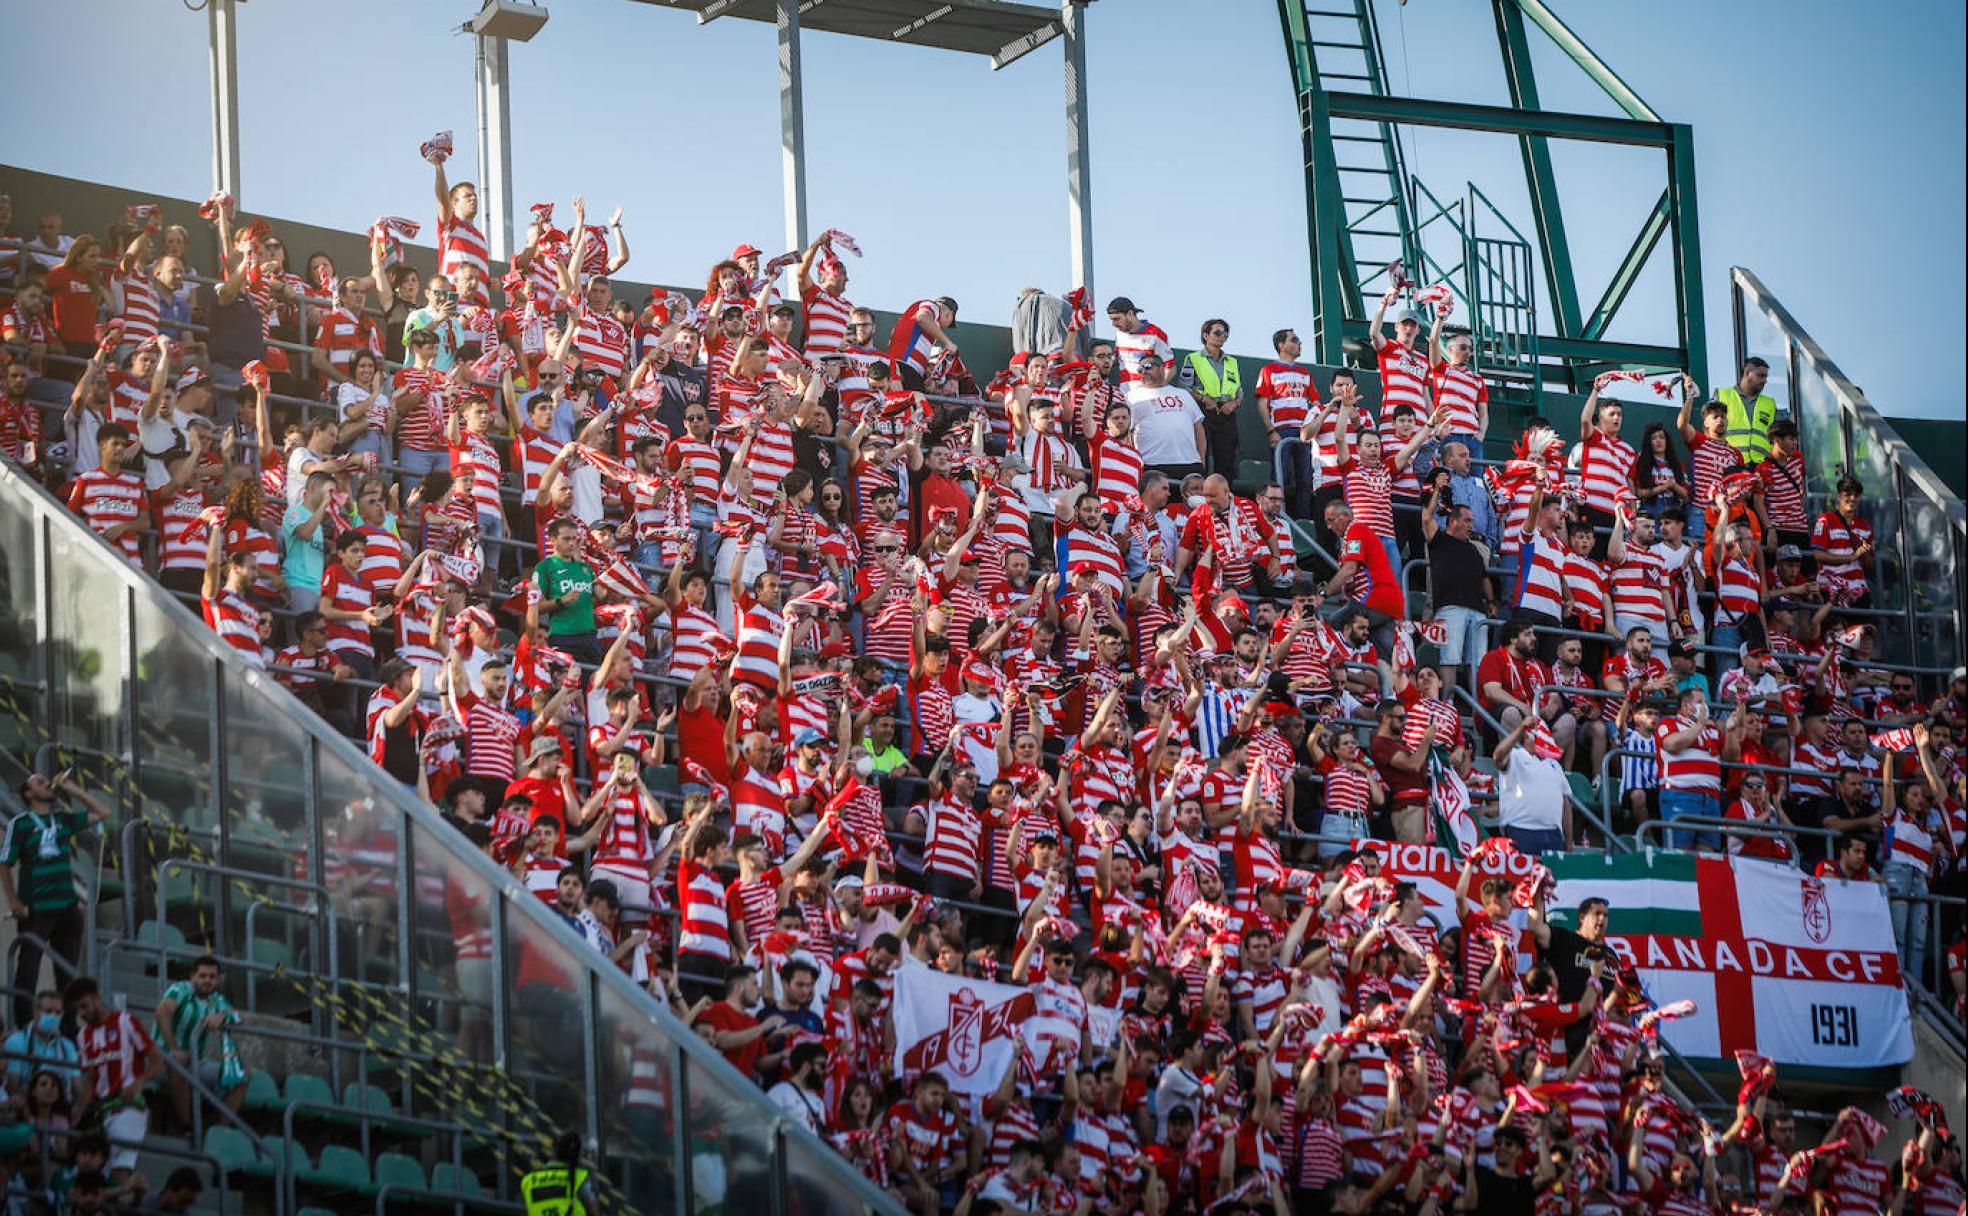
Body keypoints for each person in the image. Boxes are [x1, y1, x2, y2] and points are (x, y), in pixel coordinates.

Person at [4, 771, 114, 1025]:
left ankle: (68, 1029)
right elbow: (4, 863)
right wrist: (14, 901)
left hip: (67, 907)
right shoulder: (20, 824)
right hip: (37, 909)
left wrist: (72, 788)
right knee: (28, 970)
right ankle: (24, 1026)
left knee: (67, 974)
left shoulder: (62, 819)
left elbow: (103, 812)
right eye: (39, 782)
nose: (47, 783)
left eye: (46, 780)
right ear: (29, 793)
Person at [65, 976, 163, 1184]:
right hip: (102, 1112)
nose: (82, 1013)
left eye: (84, 1006)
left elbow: (157, 1060)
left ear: (97, 998)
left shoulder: (126, 1022)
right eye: (77, 1009)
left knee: (119, 1170)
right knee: (96, 1175)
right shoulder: (83, 1036)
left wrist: (138, 1082)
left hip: (128, 1108)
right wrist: (79, 1110)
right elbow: (91, 1079)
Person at [153, 955, 248, 1125]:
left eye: (212, 977)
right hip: (160, 1061)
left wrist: (222, 1016)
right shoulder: (180, 989)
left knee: (244, 1073)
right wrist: (173, 1048)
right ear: (192, 976)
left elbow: (238, 1016)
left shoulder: (216, 999)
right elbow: (162, 1012)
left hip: (195, 1063)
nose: (207, 980)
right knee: (178, 1060)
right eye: (203, 976)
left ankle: (220, 1130)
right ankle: (186, 1126)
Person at [1255, 328, 1317, 518]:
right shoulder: (1268, 370)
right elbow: (1262, 403)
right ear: (1281, 345)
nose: (1299, 343)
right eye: (1294, 339)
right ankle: (1278, 519)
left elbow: (1316, 404)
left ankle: (1304, 522)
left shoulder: (1305, 373)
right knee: (1279, 478)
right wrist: (1270, 431)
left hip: (1304, 433)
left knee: (1306, 480)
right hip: (1281, 432)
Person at [1492, 713, 1571, 854]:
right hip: (1521, 830)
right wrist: (1521, 728)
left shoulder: (1554, 764)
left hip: (1553, 835)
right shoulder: (1515, 755)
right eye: (1534, 734)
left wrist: (1569, 842)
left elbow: (1565, 804)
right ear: (1526, 737)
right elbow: (1498, 756)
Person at [1125, 353, 1206, 481]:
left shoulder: (1183, 394)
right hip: (1151, 463)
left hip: (1189, 463)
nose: (1143, 371)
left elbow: (1198, 428)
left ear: (1162, 368)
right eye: (1140, 369)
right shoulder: (1131, 397)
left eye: (1148, 366)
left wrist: (1201, 461)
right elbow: (1126, 432)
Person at [1178, 318, 1242, 477]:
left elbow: (1239, 391)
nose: (1222, 336)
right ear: (1205, 335)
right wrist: (1204, 399)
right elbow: (1184, 388)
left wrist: (1234, 403)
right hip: (1202, 413)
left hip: (1227, 414)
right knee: (1201, 458)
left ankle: (1224, 489)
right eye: (1217, 333)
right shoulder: (1193, 358)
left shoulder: (1232, 362)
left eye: (1225, 333)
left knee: (1227, 460)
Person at [1714, 355, 1778, 466]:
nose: (1764, 381)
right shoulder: (1722, 396)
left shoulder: (1769, 403)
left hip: (1761, 466)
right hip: (1730, 463)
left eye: (1766, 377)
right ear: (1747, 373)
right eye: (1760, 376)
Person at [519, 1130, 599, 1216]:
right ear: (578, 1155)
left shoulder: (528, 1180)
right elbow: (592, 1210)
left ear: (554, 1151)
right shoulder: (579, 1177)